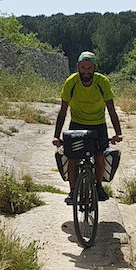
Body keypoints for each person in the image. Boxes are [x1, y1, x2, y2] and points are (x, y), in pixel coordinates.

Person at [52, 51, 123, 204]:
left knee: (99, 155)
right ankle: (72, 192)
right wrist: (56, 136)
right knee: (72, 158)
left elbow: (111, 109)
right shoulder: (71, 82)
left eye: (89, 68)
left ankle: (98, 187)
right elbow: (63, 111)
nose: (86, 72)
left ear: (94, 68)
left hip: (98, 124)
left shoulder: (102, 82)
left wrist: (118, 133)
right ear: (77, 67)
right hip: (77, 123)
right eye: (83, 68)